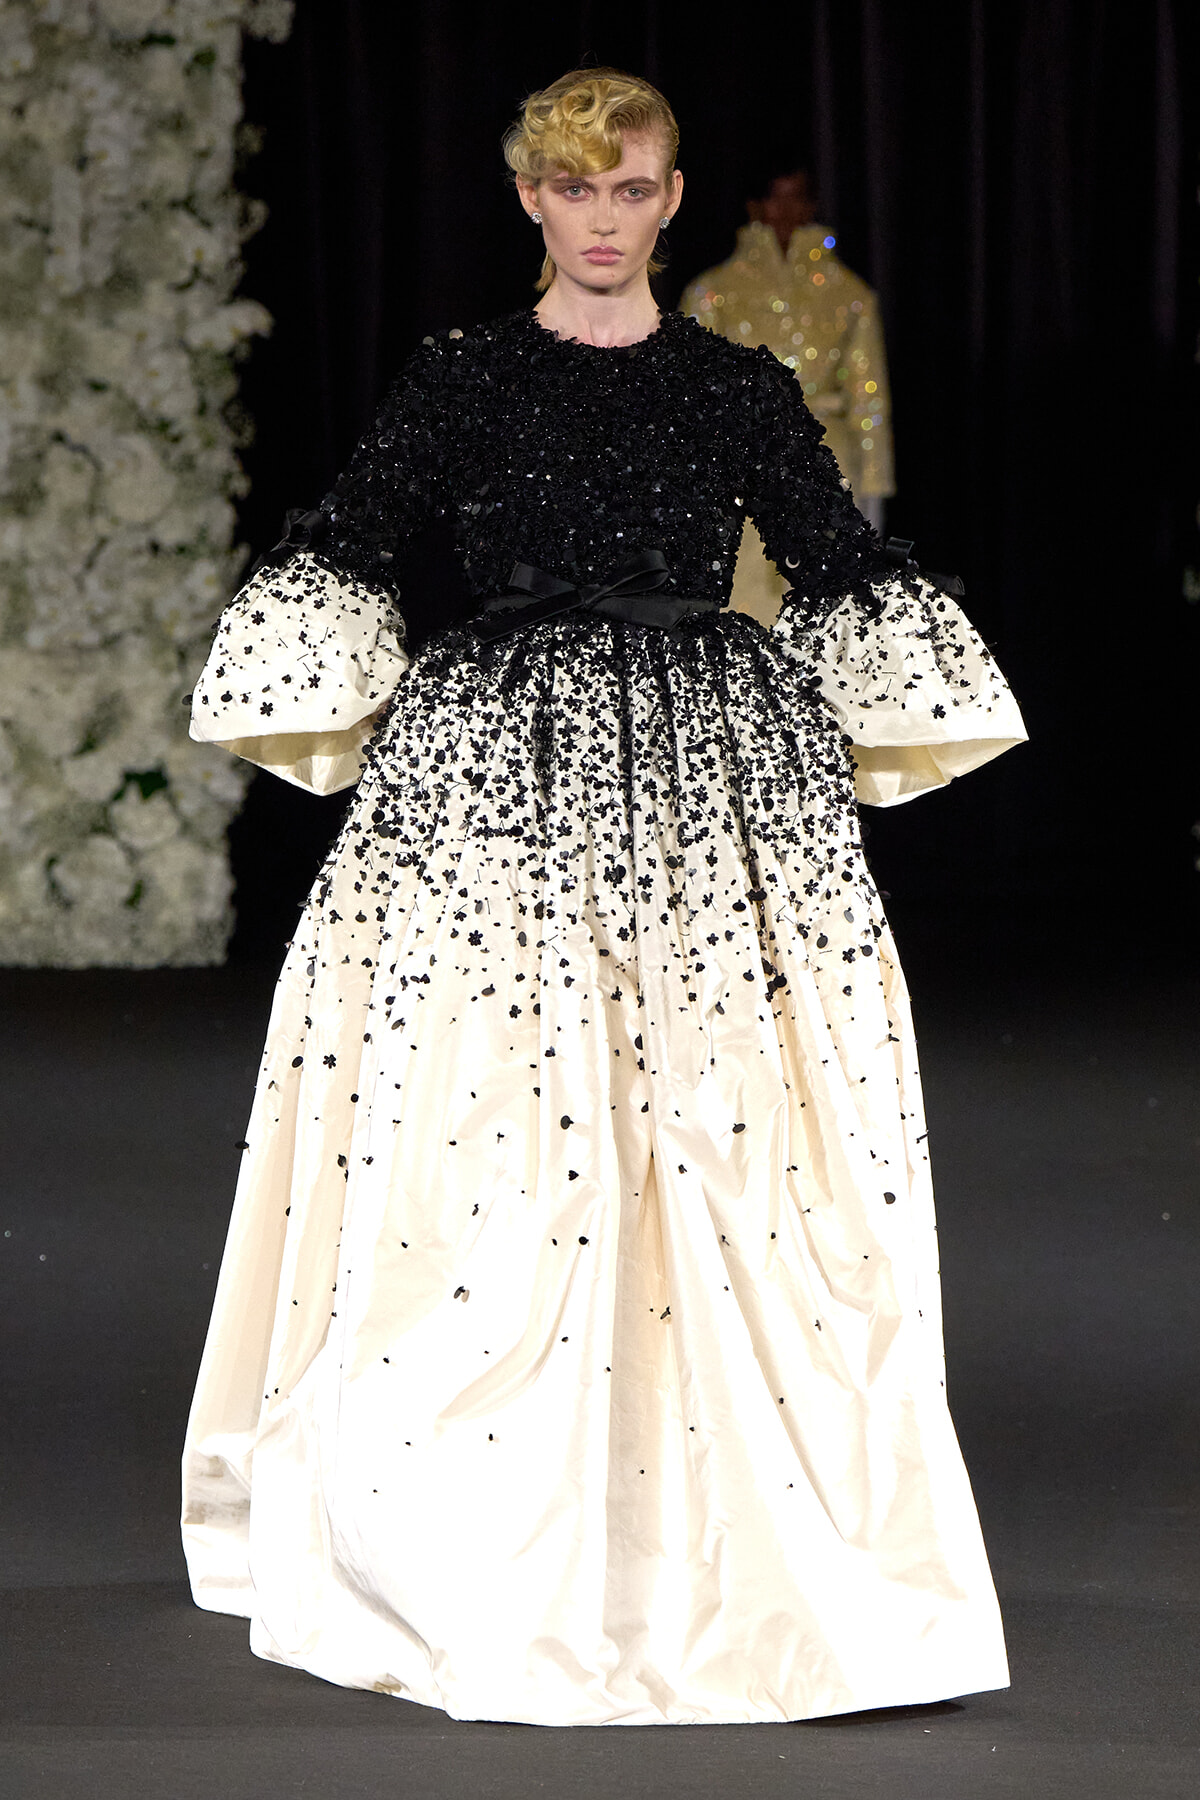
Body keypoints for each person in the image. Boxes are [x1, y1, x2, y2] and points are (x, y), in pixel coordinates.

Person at [182, 67, 1025, 1727]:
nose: (603, 219)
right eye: (575, 192)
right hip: (501, 783)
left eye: (631, 191)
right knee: (499, 1119)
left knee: (713, 1129)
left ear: (670, 195)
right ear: (529, 200)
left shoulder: (739, 383)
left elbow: (833, 560)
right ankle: (498, 1516)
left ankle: (716, 1521)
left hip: (710, 791)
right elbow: (357, 529)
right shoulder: (465, 377)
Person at [681, 168, 894, 624]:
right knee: (743, 593)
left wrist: (874, 486)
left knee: (829, 602)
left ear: (812, 206)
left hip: (828, 457)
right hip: (738, 465)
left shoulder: (849, 294)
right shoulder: (713, 292)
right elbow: (689, 396)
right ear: (756, 207)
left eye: (797, 199)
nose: (787, 212)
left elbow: (868, 394)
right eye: (776, 199)